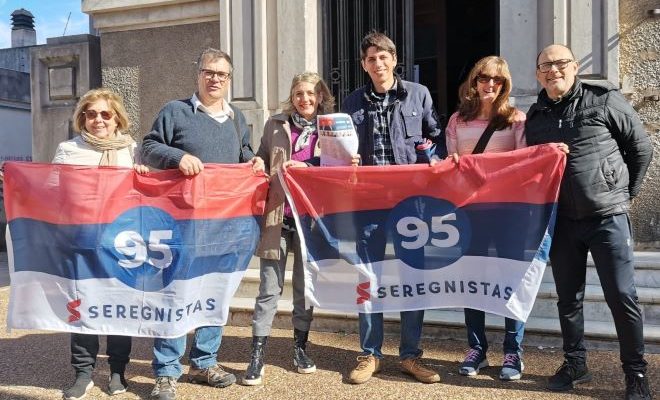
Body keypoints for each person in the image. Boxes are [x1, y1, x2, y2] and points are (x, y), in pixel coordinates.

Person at [525, 44, 653, 400]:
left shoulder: (604, 100)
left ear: (575, 66)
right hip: (563, 222)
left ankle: (636, 373)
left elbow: (640, 147)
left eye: (561, 63)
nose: (554, 70)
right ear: (538, 73)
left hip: (606, 217)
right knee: (569, 298)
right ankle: (575, 363)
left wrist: (625, 193)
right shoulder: (536, 117)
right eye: (545, 65)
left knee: (621, 296)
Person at [140, 48, 264, 400]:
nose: (215, 79)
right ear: (198, 75)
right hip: (182, 224)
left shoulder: (237, 117)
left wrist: (253, 161)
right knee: (176, 295)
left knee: (214, 293)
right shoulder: (174, 111)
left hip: (225, 226)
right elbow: (148, 147)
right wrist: (178, 157)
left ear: (229, 79)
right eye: (209, 72)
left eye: (222, 74)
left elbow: (243, 154)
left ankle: (204, 361)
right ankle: (166, 371)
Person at [341, 31, 445, 385]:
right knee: (369, 279)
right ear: (364, 65)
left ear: (394, 60)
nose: (378, 63)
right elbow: (339, 149)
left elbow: (435, 136)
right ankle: (370, 354)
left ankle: (411, 356)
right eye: (371, 58)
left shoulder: (418, 94)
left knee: (413, 278)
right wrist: (345, 159)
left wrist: (431, 157)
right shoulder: (352, 101)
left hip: (411, 205)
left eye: (383, 57)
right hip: (368, 204)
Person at [53, 88, 148, 400]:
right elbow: (52, 191)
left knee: (119, 306)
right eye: (91, 114)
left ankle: (118, 370)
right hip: (81, 240)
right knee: (82, 307)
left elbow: (143, 192)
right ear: (82, 117)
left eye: (105, 114)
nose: (98, 120)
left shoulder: (131, 150)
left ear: (116, 117)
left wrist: (143, 174)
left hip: (121, 243)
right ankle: (83, 372)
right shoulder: (68, 150)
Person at [242, 72, 335, 386]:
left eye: (310, 94)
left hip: (310, 219)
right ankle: (257, 353)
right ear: (291, 97)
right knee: (269, 288)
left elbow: (338, 166)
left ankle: (300, 348)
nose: (304, 100)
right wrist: (257, 162)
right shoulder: (275, 124)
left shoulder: (332, 127)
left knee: (303, 289)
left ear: (320, 97)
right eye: (298, 94)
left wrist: (308, 167)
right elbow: (262, 156)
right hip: (278, 218)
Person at [445, 56, 528, 381]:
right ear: (474, 82)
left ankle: (513, 350)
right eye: (483, 78)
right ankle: (476, 347)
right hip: (468, 212)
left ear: (504, 84)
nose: (489, 85)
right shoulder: (457, 120)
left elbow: (525, 164)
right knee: (472, 280)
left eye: (496, 80)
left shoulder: (516, 119)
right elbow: (449, 164)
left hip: (508, 213)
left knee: (511, 279)